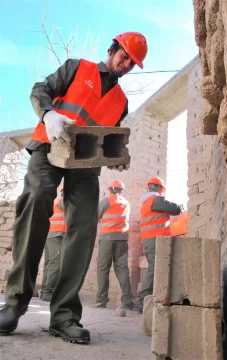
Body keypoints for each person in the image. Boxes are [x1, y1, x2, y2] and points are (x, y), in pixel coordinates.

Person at [0, 32, 148, 343]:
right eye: (124, 56)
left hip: (84, 163)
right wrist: (48, 113)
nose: (126, 64)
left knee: (83, 226)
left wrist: (115, 156)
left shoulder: (122, 101)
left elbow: (109, 136)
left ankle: (65, 316)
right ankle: (14, 303)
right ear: (113, 49)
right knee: (37, 199)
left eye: (132, 63)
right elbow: (40, 89)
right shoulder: (77, 68)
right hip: (49, 146)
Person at [133, 177, 183, 313]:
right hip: (155, 240)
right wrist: (182, 206)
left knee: (155, 269)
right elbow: (176, 209)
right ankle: (140, 301)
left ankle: (149, 299)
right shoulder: (156, 199)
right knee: (154, 269)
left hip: (150, 240)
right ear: (160, 188)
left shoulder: (146, 201)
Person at [94, 180, 133, 310]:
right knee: (122, 269)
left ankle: (101, 300)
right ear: (121, 191)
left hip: (107, 239)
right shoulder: (126, 203)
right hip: (122, 239)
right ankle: (127, 300)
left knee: (103, 268)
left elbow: (95, 216)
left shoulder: (106, 201)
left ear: (110, 189)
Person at [40, 188, 66, 302]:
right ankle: (48, 292)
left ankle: (44, 291)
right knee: (55, 263)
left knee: (48, 264)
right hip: (55, 235)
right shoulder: (64, 201)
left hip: (50, 235)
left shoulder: (58, 201)